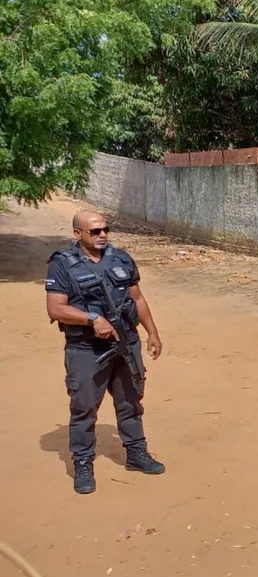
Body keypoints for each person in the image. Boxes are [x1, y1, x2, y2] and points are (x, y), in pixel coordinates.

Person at [44, 210, 165, 495]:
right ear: (78, 234)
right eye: (95, 231)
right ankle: (83, 462)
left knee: (131, 401)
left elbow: (137, 297)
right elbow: (55, 308)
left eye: (105, 230)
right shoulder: (63, 264)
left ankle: (136, 453)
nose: (102, 235)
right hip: (86, 349)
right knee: (84, 407)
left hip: (126, 341)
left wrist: (152, 333)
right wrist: (92, 319)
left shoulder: (120, 258)